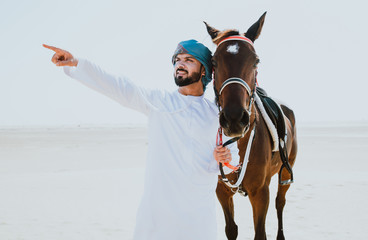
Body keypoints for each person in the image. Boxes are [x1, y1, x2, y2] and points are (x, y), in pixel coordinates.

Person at [43, 39, 239, 240]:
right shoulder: (159, 102)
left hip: (199, 222)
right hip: (156, 220)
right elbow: (119, 87)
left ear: (204, 70)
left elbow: (234, 159)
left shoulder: (216, 115)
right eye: (177, 60)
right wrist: (77, 62)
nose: (180, 64)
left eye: (189, 60)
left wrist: (225, 157)